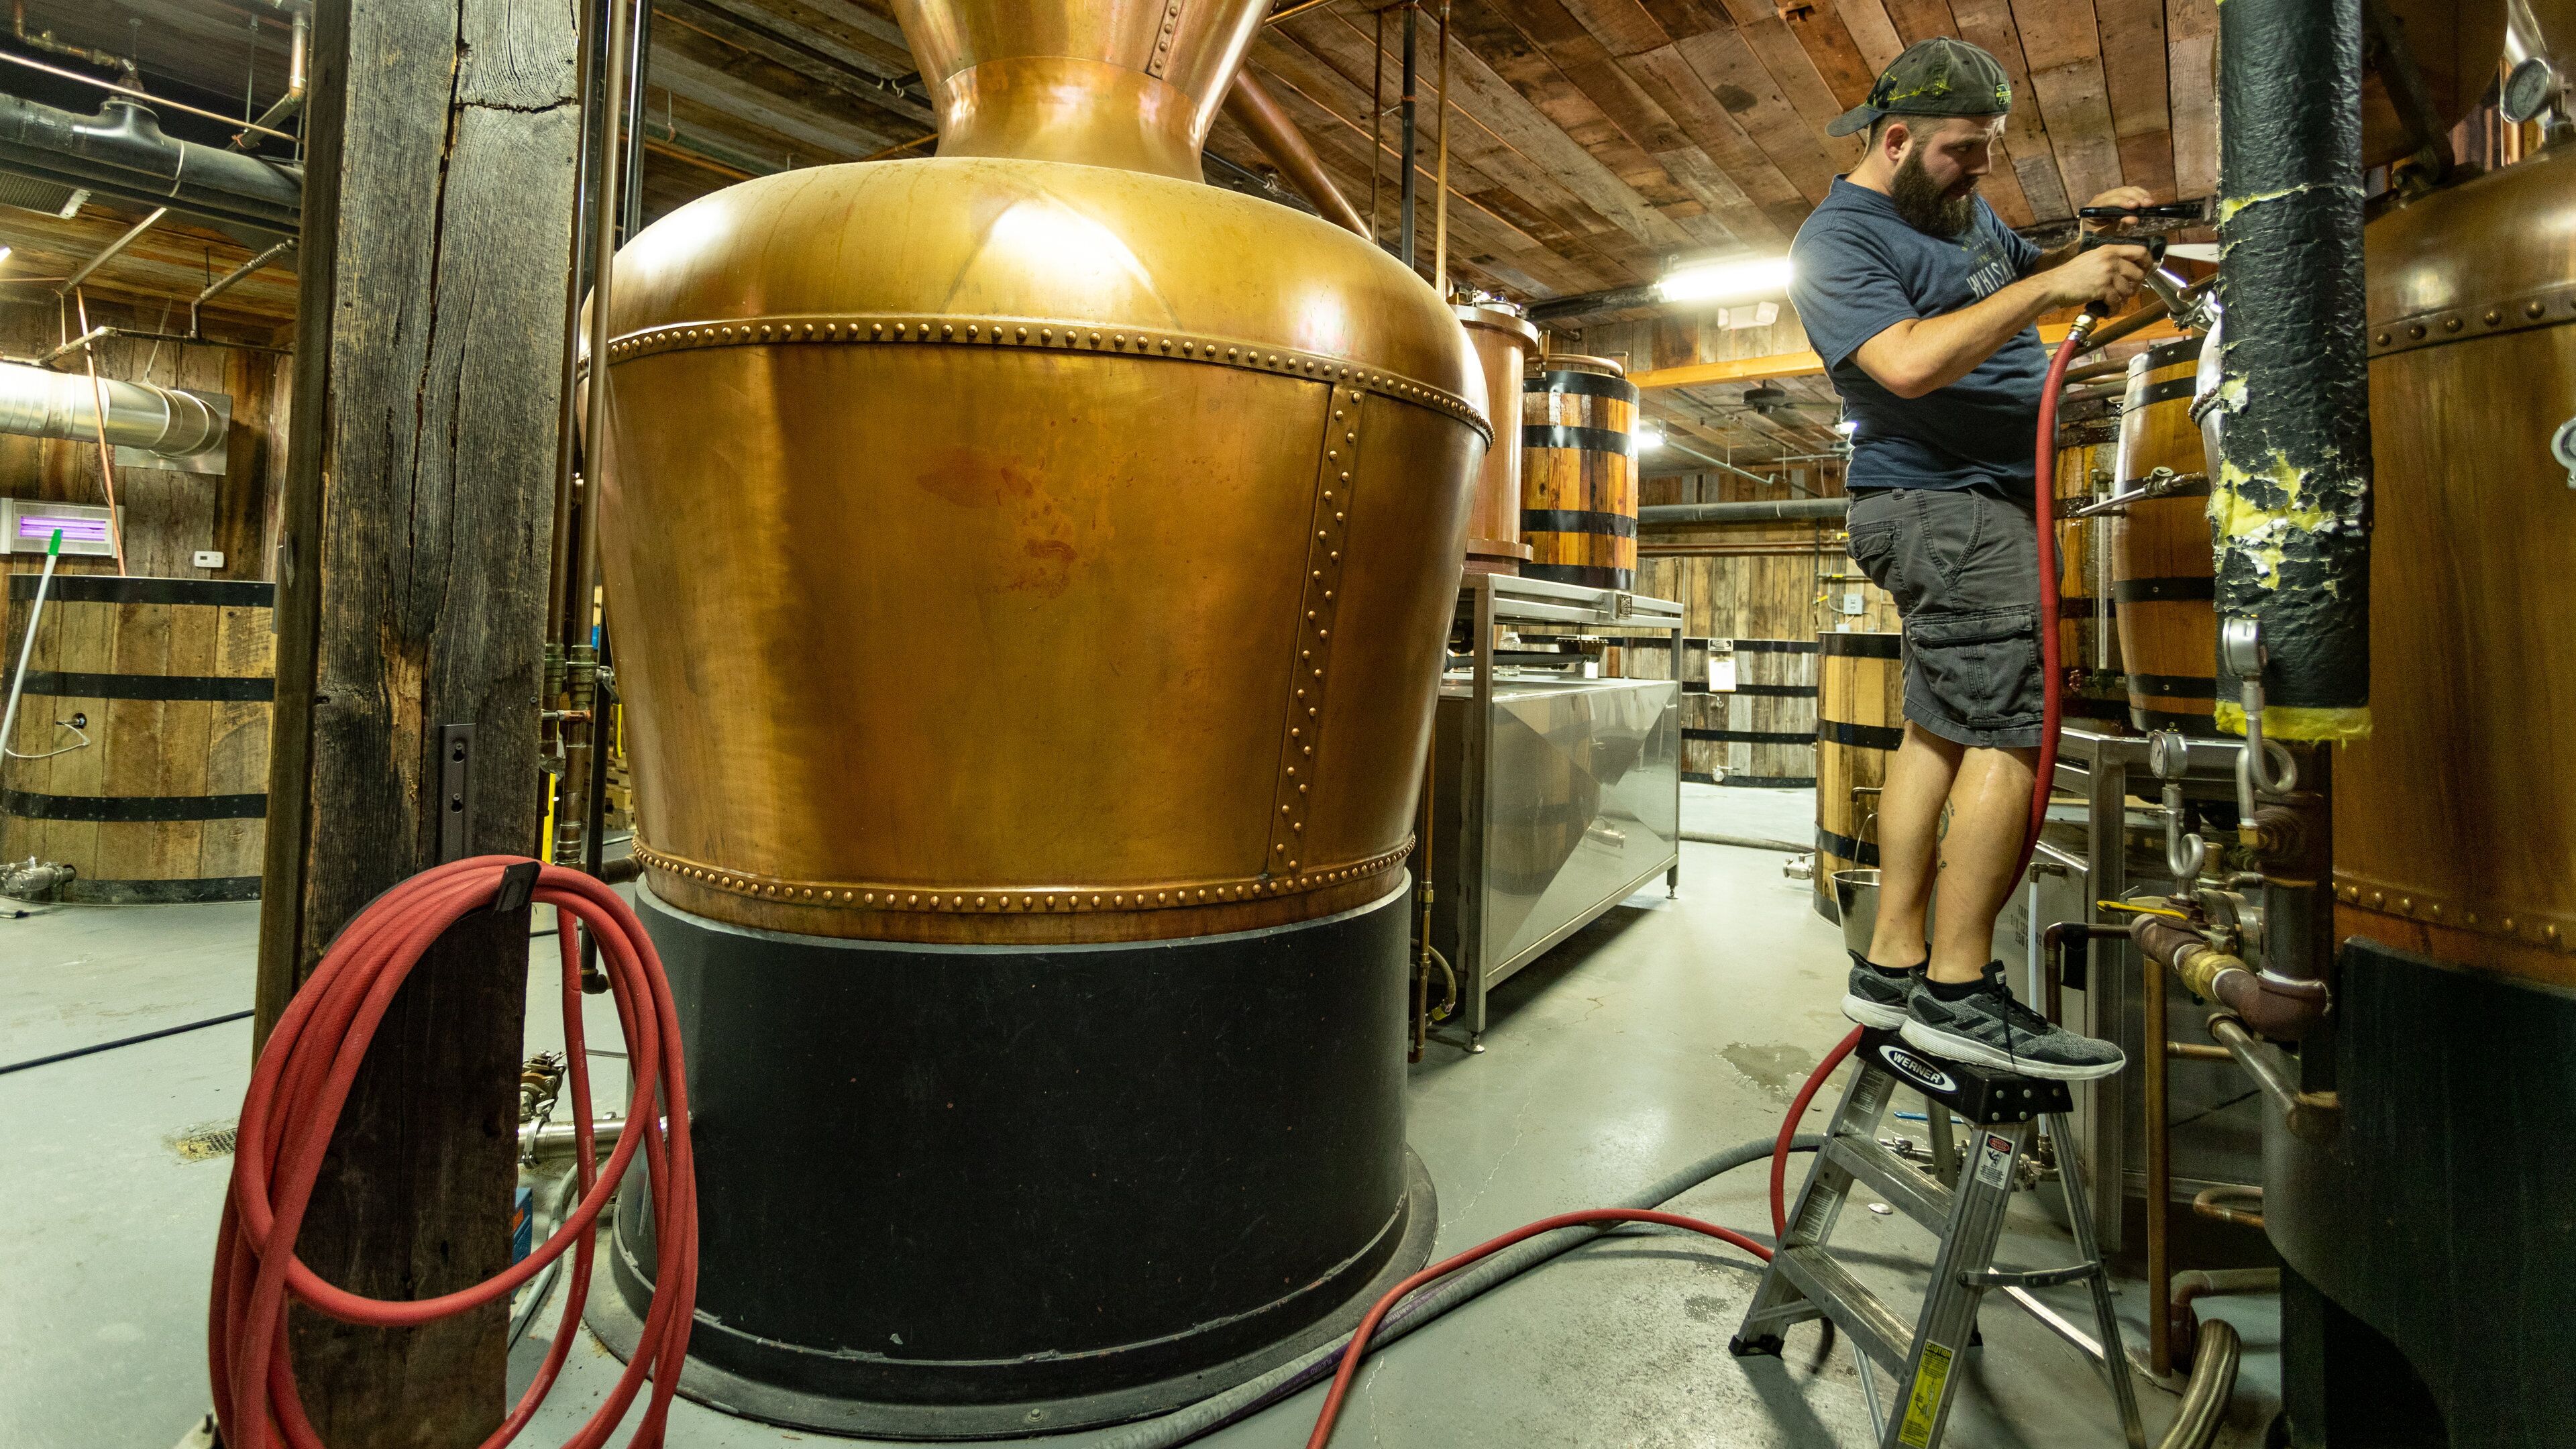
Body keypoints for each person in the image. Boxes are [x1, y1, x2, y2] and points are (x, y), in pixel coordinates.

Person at [1788, 38, 2152, 1081]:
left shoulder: (1954, 209)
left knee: (1940, 728)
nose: (1980, 171)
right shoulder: (1837, 239)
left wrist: (2085, 250)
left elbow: (2008, 290)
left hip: (1973, 502)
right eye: (1961, 152)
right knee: (2009, 725)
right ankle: (1958, 987)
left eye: (1987, 151)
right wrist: (2052, 292)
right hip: (1941, 505)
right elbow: (1904, 363)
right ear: (1893, 139)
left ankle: (1893, 966)